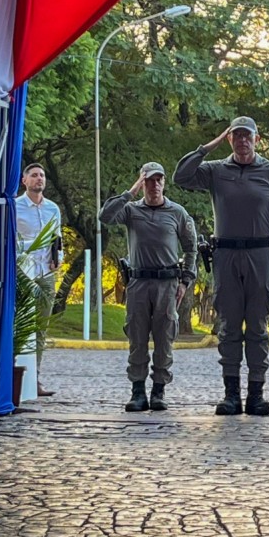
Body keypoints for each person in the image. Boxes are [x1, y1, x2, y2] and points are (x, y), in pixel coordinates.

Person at [173, 117, 269, 416]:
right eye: (236, 135)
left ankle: (256, 394)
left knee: (257, 325)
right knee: (228, 327)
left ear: (257, 138)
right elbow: (181, 176)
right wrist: (209, 145)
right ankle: (231, 395)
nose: (242, 140)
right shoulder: (216, 171)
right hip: (226, 255)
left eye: (247, 135)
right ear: (230, 139)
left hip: (259, 256)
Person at [99, 161, 197, 413]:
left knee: (164, 337)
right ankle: (138, 390)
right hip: (139, 282)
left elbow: (191, 248)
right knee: (137, 336)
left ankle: (159, 390)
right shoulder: (131, 211)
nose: (154, 185)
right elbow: (105, 216)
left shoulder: (177, 213)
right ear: (142, 182)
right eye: (149, 180)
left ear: (164, 182)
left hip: (168, 283)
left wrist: (185, 281)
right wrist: (131, 191)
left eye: (158, 180)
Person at [15, 162, 63, 397]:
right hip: (22, 273)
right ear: (24, 180)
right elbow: (9, 240)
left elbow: (58, 237)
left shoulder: (53, 208)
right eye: (34, 175)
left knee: (40, 328)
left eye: (42, 175)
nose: (39, 179)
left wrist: (59, 258)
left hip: (45, 274)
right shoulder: (14, 207)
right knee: (21, 328)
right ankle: (15, 379)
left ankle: (34, 379)